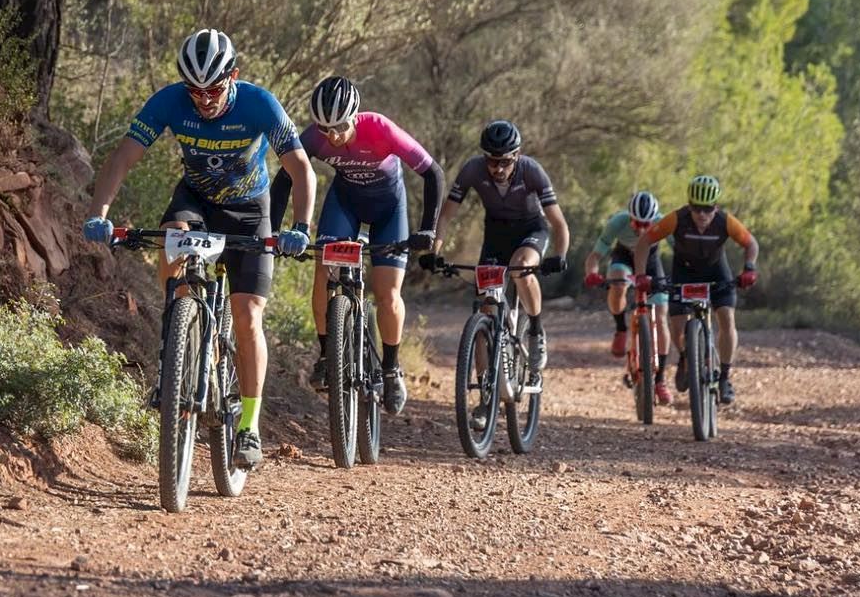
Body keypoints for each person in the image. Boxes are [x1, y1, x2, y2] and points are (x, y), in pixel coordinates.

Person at [83, 29, 316, 470]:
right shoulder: (169, 101)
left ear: (234, 76)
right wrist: (100, 212)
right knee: (172, 232)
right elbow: (123, 157)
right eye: (194, 91)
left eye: (213, 89)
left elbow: (301, 168)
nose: (204, 100)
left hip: (250, 209)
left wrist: (300, 227)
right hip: (197, 201)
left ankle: (248, 426)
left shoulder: (259, 104)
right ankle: (177, 334)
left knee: (247, 316)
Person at [269, 76, 445, 415]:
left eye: (340, 126)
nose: (333, 136)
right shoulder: (313, 138)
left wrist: (427, 230)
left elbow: (433, 172)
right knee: (324, 271)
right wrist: (276, 231)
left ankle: (392, 369)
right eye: (325, 128)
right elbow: (284, 179)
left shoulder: (379, 128)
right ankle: (326, 354)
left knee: (387, 295)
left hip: (389, 210)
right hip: (345, 203)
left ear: (355, 115)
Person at [424, 120, 570, 429]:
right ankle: (485, 397)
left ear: (516, 156)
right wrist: (434, 252)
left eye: (505, 161)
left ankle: (535, 331)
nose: (498, 168)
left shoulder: (531, 171)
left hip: (531, 231)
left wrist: (560, 256)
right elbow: (447, 214)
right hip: (496, 236)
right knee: (484, 308)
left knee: (520, 270)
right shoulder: (473, 170)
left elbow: (558, 223)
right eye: (492, 160)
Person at [632, 174, 758, 405]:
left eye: (707, 209)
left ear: (716, 207)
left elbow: (750, 243)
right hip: (684, 272)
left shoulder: (725, 221)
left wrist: (749, 268)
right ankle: (685, 356)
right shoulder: (676, 219)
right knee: (677, 326)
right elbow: (644, 242)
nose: (702, 214)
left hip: (717, 272)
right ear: (689, 205)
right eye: (696, 208)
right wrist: (641, 276)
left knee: (726, 319)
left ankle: (725, 378)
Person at [583, 190, 673, 405]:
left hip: (650, 260)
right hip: (623, 257)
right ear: (629, 217)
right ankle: (621, 328)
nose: (642, 229)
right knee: (618, 281)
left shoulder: (664, 223)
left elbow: (680, 249)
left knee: (661, 316)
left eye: (646, 224)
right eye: (637, 223)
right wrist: (592, 273)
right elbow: (596, 254)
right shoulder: (618, 222)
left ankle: (660, 380)